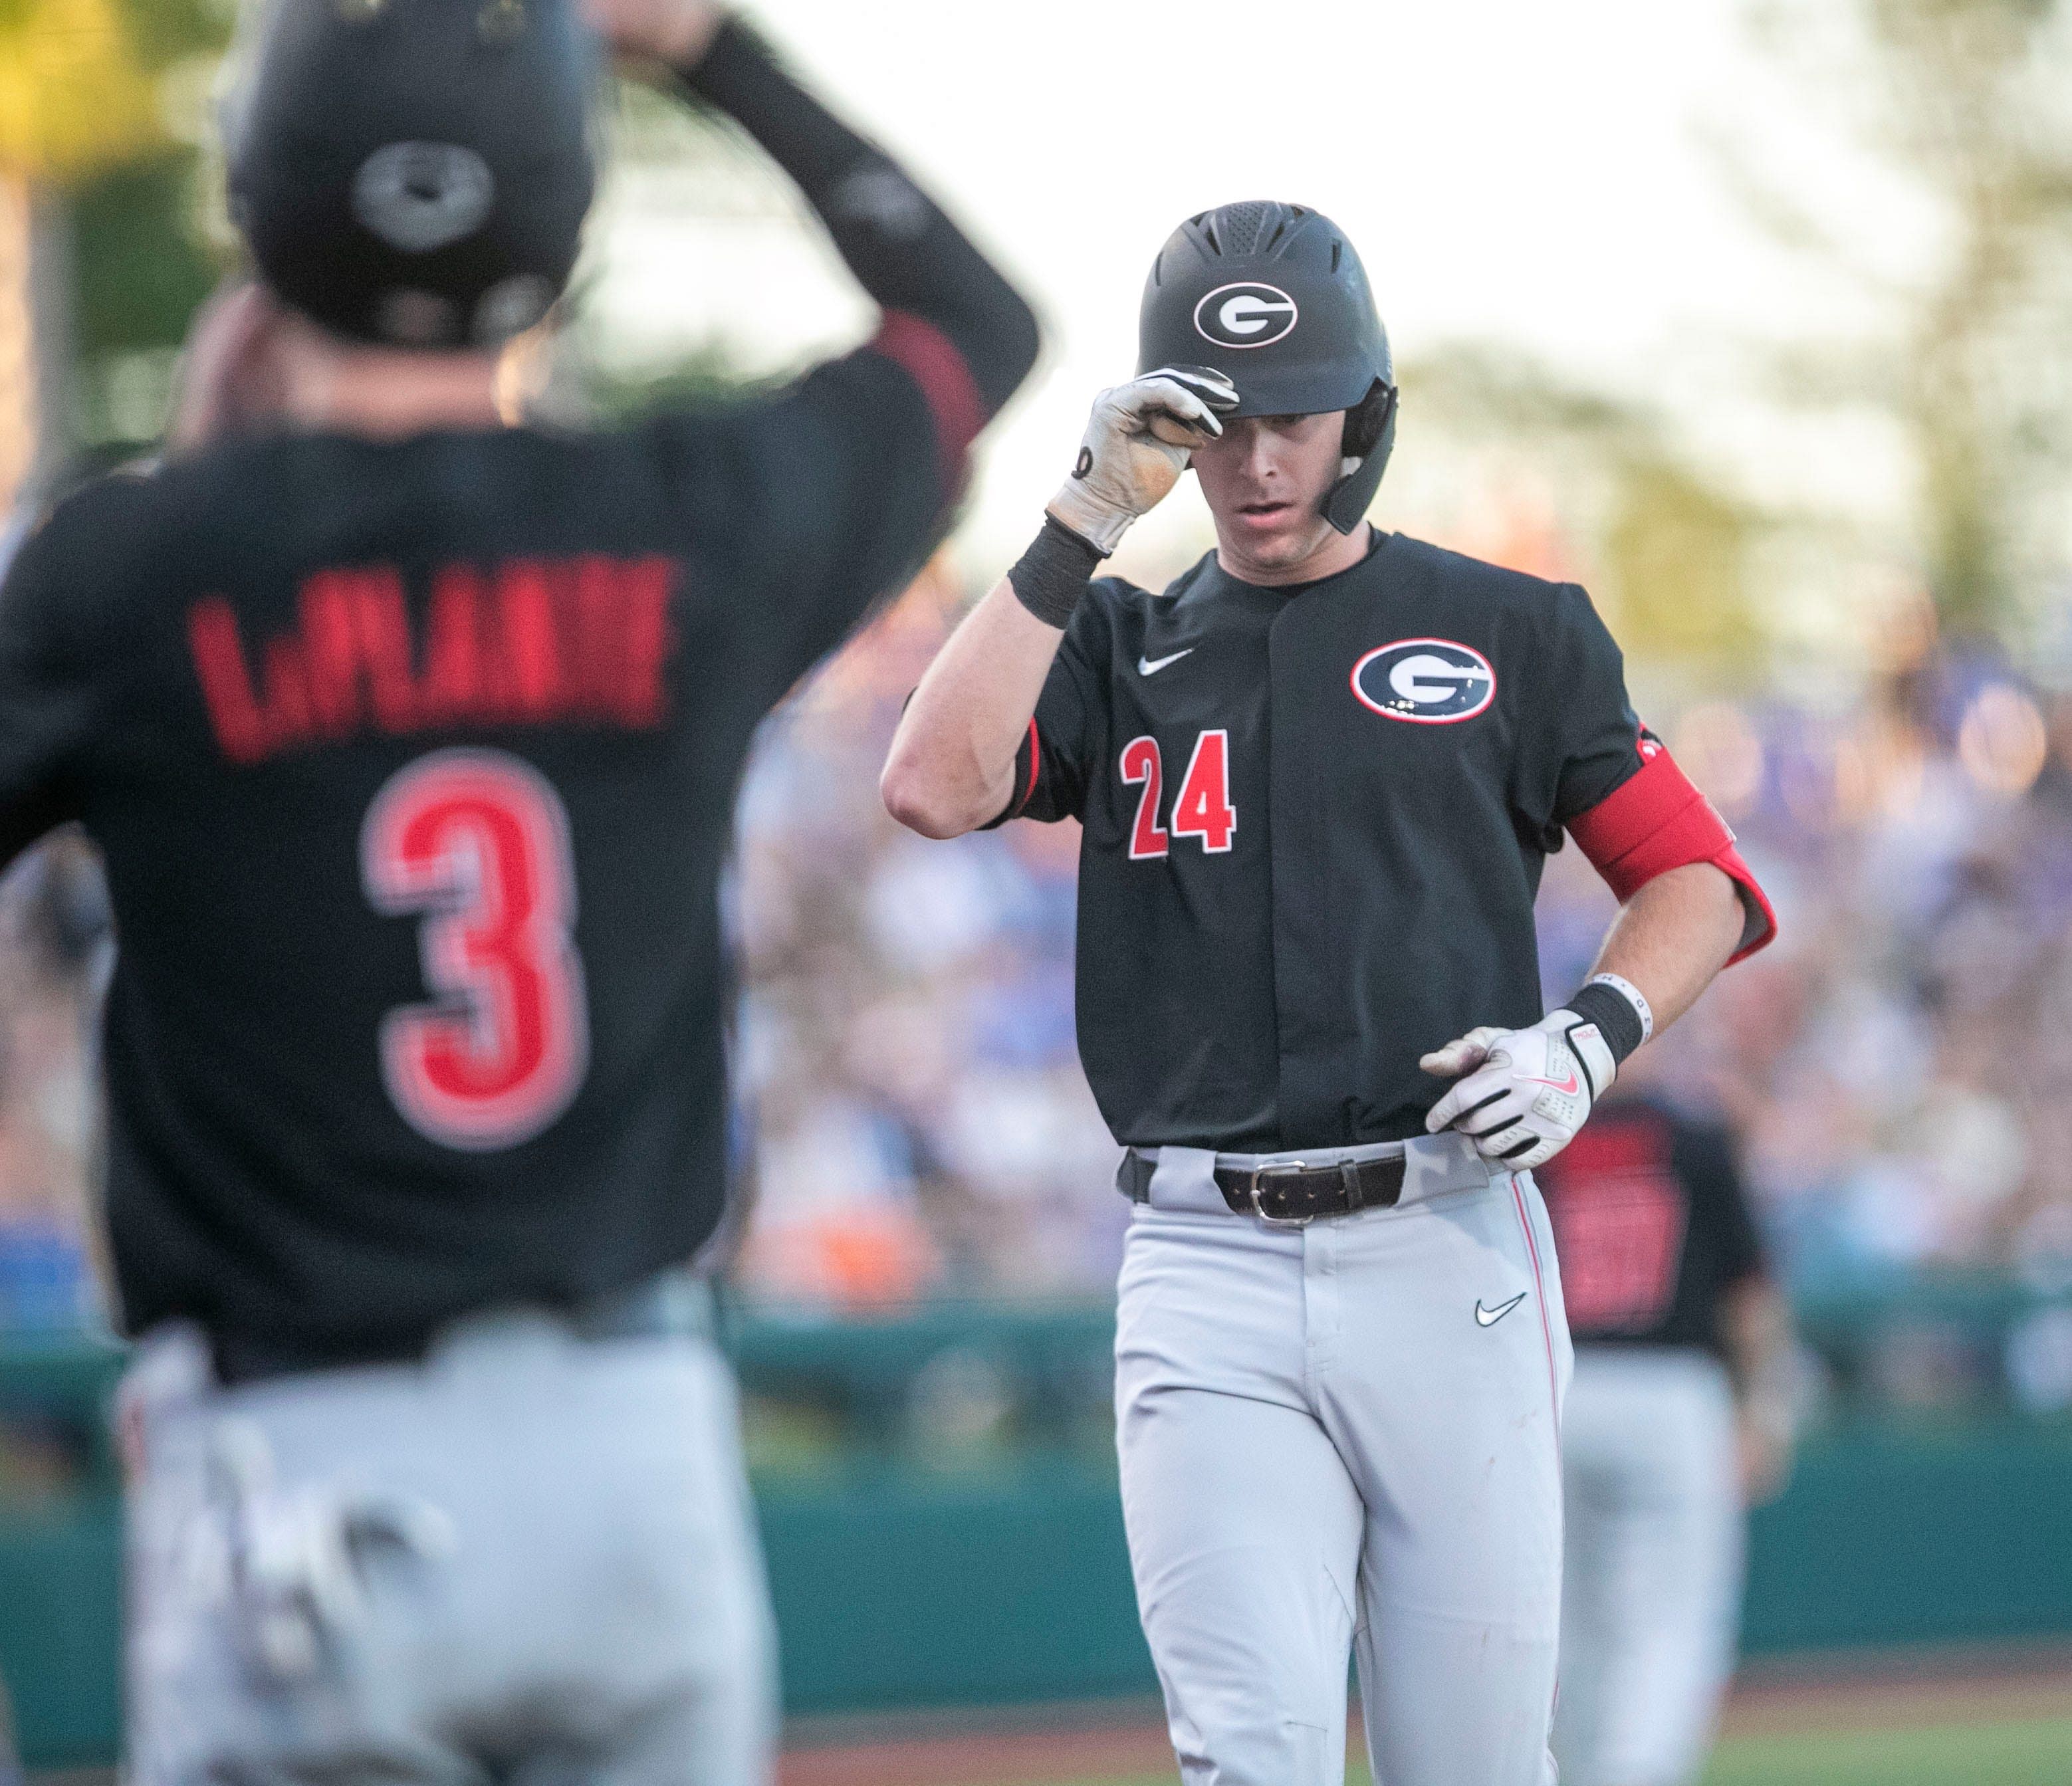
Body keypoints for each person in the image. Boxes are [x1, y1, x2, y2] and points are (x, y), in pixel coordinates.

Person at [0, 0, 1036, 1778]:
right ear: (558, 225)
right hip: (633, 1456)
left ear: (262, 202)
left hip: (300, 1456)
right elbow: (972, 324)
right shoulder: (688, 515)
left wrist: (199, 491)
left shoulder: (136, 572)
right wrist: (712, 50)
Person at [881, 199, 1775, 1786]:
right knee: (1251, 1753)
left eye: (1287, 416)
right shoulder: (1113, 633)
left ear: (1362, 413)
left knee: (1477, 1761)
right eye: (1216, 425)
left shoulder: (1513, 628)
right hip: (1200, 1255)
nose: (1251, 462)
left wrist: (1592, 1034)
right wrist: (1077, 513)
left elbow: (1695, 879)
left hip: (1447, 1239)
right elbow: (932, 783)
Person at [1536, 1065, 1795, 1786]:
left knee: (1564, 1623)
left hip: (1557, 1388)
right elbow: (1751, 1291)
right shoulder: (1696, 1138)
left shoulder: (1541, 1134)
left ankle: (1568, 1769)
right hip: (1670, 1389)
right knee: (1672, 1619)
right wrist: (1763, 1407)